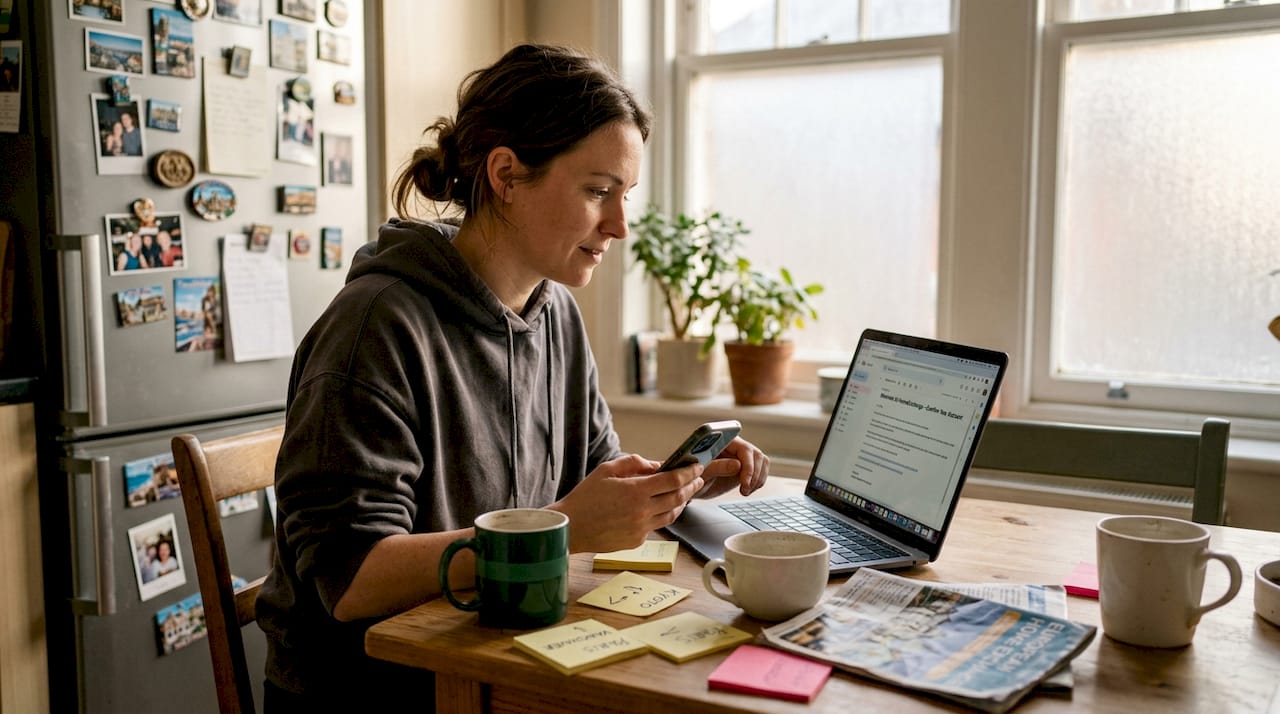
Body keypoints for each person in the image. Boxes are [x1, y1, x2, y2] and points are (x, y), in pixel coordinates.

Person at [255, 43, 770, 711]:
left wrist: (680, 480)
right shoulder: (375, 328)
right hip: (372, 688)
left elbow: (591, 475)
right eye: (597, 191)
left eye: (625, 196)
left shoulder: (554, 310)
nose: (618, 225)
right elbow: (352, 581)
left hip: (495, 652)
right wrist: (564, 528)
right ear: (505, 174)